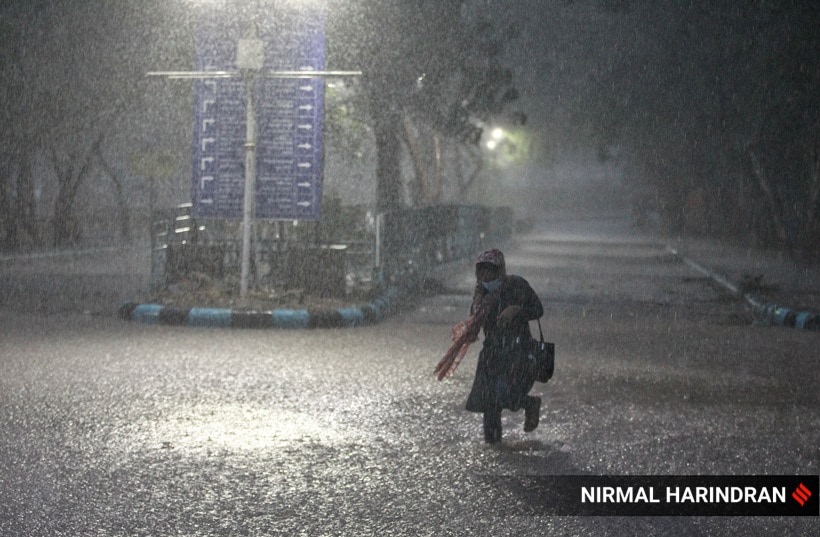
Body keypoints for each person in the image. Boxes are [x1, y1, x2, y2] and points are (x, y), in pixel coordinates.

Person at [435, 248, 544, 444]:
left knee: (506, 393)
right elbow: (475, 318)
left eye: (490, 271)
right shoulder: (480, 294)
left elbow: (538, 309)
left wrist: (516, 310)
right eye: (481, 271)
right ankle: (493, 448)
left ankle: (530, 403)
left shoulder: (517, 285)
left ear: (500, 270)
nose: (485, 276)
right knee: (489, 403)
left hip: (517, 349)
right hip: (492, 352)